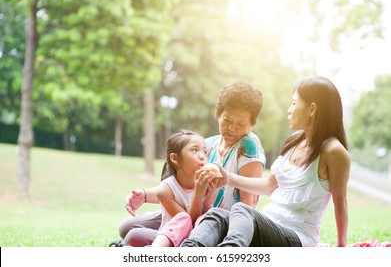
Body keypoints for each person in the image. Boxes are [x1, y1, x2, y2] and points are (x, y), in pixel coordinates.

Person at [180, 76, 351, 247]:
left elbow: (340, 201)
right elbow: (270, 185)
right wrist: (228, 178)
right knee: (218, 216)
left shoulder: (334, 151)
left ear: (312, 109)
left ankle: (229, 254)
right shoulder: (294, 142)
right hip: (268, 225)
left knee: (241, 209)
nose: (289, 110)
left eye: (293, 103)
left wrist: (341, 247)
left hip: (298, 237)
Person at [111, 81, 266, 247]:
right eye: (226, 120)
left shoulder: (248, 146)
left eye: (240, 124)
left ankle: (158, 245)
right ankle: (160, 241)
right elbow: (182, 190)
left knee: (135, 234)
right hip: (191, 211)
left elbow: (247, 206)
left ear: (251, 124)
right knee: (127, 226)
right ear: (218, 114)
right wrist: (144, 194)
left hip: (215, 223)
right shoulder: (208, 145)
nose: (231, 128)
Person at [138, 129, 217, 247]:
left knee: (207, 216)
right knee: (134, 234)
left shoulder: (207, 182)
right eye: (195, 150)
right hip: (170, 240)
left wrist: (210, 192)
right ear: (175, 159)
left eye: (205, 152)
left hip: (196, 240)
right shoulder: (165, 190)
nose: (202, 156)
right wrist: (198, 194)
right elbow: (187, 223)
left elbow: (203, 221)